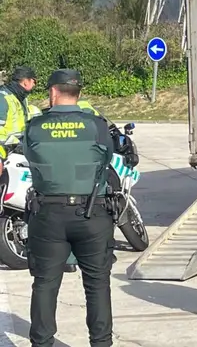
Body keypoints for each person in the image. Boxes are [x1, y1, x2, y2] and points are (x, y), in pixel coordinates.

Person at [24, 69, 115, 347]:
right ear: (78, 93)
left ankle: (41, 343)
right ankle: (101, 343)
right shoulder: (96, 125)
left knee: (45, 284)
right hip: (92, 213)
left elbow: (29, 155)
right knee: (97, 284)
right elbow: (108, 157)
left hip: (49, 215)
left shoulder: (35, 126)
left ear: (53, 93)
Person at [0, 66, 37, 168]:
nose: (35, 85)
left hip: (19, 146)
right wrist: (13, 144)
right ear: (25, 81)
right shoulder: (3, 98)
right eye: (34, 81)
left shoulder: (21, 97)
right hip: (6, 150)